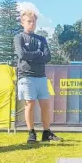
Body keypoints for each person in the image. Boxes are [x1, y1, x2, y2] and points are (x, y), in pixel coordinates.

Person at [14, 10, 62, 144]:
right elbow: (22, 54)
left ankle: (47, 133)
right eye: (29, 21)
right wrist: (38, 54)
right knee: (30, 104)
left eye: (34, 21)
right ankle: (31, 133)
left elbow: (47, 57)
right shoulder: (19, 38)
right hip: (26, 76)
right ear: (23, 22)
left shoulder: (41, 39)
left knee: (45, 105)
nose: (32, 24)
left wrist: (34, 55)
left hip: (41, 76)